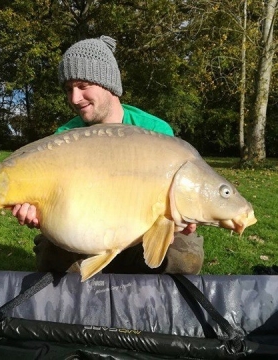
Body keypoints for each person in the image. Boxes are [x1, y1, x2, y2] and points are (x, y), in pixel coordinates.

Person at [12, 35, 204, 275]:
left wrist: (180, 219)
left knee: (186, 259)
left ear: (108, 84)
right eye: (69, 89)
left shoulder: (157, 132)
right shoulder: (65, 136)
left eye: (83, 86)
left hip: (142, 233)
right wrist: (39, 213)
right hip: (86, 231)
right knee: (53, 258)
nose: (74, 98)